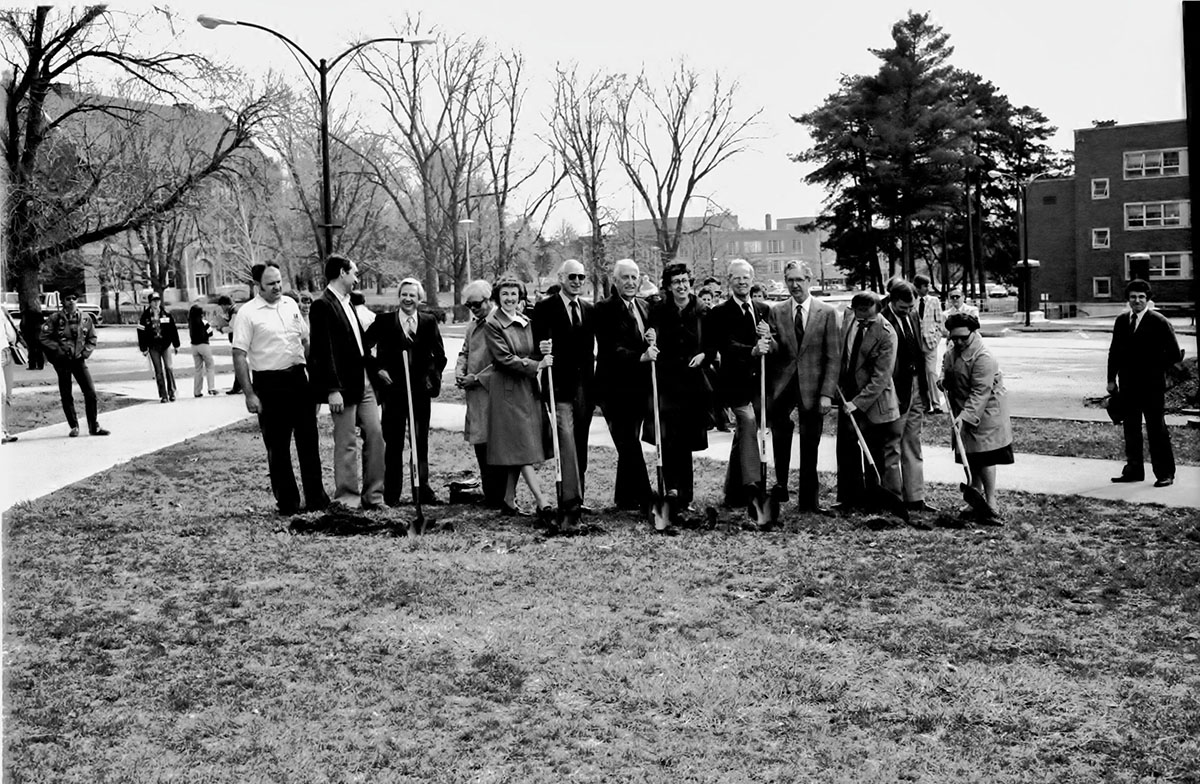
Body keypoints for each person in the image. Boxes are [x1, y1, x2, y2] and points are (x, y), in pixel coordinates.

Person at [231, 263, 328, 515]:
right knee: (278, 447)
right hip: (269, 384)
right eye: (271, 283)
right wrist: (250, 393)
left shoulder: (290, 305)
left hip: (298, 379)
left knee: (309, 441)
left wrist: (313, 375)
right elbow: (239, 355)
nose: (277, 287)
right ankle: (288, 502)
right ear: (258, 286)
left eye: (279, 281)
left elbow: (304, 340)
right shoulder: (248, 314)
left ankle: (316, 498)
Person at [308, 254, 387, 510]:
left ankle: (374, 496)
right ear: (342, 273)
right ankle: (347, 498)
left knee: (375, 436)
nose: (356, 278)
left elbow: (359, 346)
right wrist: (333, 390)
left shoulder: (349, 303)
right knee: (347, 443)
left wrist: (376, 372)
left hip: (364, 384)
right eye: (353, 273)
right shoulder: (323, 305)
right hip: (342, 388)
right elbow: (323, 350)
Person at [763, 261, 841, 515]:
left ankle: (809, 501)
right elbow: (775, 349)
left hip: (814, 388)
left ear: (809, 281)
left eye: (799, 280)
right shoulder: (777, 311)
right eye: (789, 280)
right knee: (780, 433)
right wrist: (766, 340)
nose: (794, 285)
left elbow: (833, 357)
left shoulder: (826, 313)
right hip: (783, 385)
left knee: (810, 442)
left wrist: (827, 394)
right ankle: (781, 485)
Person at [366, 277, 447, 507]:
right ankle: (391, 493)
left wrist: (431, 375)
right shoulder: (384, 322)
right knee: (392, 443)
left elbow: (440, 356)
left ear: (419, 299)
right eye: (404, 294)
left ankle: (421, 490)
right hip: (393, 391)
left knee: (420, 442)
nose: (408, 299)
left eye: (412, 295)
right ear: (398, 297)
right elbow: (365, 347)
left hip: (420, 392)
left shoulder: (429, 322)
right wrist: (378, 369)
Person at [703, 259, 772, 512]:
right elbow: (725, 345)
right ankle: (753, 486)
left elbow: (772, 346)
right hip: (734, 384)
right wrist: (752, 350)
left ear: (752, 280)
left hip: (758, 383)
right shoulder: (719, 312)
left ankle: (733, 490)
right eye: (737, 278)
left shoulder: (764, 309)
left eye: (746, 278)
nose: (742, 282)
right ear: (729, 280)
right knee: (748, 422)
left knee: (743, 436)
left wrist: (769, 340)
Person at [483, 276, 554, 520]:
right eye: (505, 294)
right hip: (508, 391)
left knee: (518, 445)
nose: (510, 298)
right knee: (523, 446)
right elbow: (503, 358)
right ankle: (541, 500)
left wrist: (542, 352)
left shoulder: (525, 320)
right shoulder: (493, 323)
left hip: (527, 387)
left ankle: (508, 500)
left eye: (514, 294)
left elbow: (532, 349)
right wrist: (537, 363)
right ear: (497, 297)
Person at [532, 259, 596, 525]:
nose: (577, 281)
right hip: (558, 385)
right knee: (566, 439)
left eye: (581, 277)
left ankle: (578, 496)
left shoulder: (588, 309)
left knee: (580, 440)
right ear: (561, 277)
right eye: (572, 277)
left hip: (585, 386)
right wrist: (542, 350)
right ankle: (568, 500)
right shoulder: (545, 308)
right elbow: (536, 346)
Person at [647, 262, 710, 528]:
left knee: (686, 442)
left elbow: (712, 342)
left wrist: (705, 353)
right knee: (669, 439)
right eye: (676, 282)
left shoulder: (703, 310)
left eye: (685, 281)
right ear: (668, 286)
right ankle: (670, 490)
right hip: (668, 382)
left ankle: (686, 495)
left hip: (693, 384)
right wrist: (650, 338)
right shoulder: (659, 311)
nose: (682, 286)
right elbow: (652, 338)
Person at [594, 259, 656, 513]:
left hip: (639, 388)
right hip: (614, 389)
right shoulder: (604, 309)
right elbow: (610, 346)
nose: (630, 282)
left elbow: (649, 339)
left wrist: (652, 339)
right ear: (615, 281)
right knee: (628, 442)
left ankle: (624, 498)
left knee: (628, 443)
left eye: (634, 277)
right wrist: (639, 356)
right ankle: (647, 497)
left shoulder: (644, 306)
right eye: (625, 278)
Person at [1106, 279, 1180, 487]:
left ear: (1148, 300)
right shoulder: (1121, 321)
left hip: (1152, 386)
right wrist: (1111, 379)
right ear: (1128, 300)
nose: (1137, 301)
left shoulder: (1159, 321)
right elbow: (1114, 352)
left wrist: (1153, 367)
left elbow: (1174, 354)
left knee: (1156, 430)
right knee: (1131, 429)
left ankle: (1165, 473)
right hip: (1128, 385)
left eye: (1141, 297)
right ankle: (1133, 470)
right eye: (1133, 297)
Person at [941, 313, 1014, 517]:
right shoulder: (952, 350)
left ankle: (991, 503)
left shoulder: (983, 357)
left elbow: (980, 393)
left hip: (986, 412)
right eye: (954, 337)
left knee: (985, 457)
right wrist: (942, 380)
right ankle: (975, 498)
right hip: (964, 408)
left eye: (963, 337)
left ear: (973, 332)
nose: (958, 341)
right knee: (971, 455)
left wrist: (964, 417)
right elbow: (945, 367)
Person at [834, 291, 901, 512]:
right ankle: (849, 499)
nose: (864, 322)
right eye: (860, 317)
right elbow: (843, 355)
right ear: (854, 311)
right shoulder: (847, 318)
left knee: (873, 451)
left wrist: (859, 402)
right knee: (846, 449)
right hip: (847, 394)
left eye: (869, 318)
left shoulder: (886, 333)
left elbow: (881, 377)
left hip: (874, 400)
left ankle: (874, 501)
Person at [881, 281, 935, 512]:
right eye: (903, 308)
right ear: (892, 302)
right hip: (894, 391)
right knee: (892, 445)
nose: (908, 311)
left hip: (915, 388)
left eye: (911, 307)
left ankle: (915, 497)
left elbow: (920, 353)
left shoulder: (913, 315)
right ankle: (893, 499)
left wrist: (925, 389)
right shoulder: (882, 320)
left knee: (913, 442)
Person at [454, 280, 504, 507]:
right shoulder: (473, 326)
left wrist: (477, 378)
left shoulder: (498, 323)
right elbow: (464, 351)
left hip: (495, 394)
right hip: (475, 397)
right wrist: (459, 371)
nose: (473, 309)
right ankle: (490, 493)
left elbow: (503, 361)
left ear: (489, 300)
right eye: (468, 305)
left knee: (496, 446)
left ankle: (500, 495)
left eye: (476, 304)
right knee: (481, 446)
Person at [39, 289, 109, 438]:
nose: (71, 301)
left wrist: (86, 352)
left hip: (78, 359)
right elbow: (43, 337)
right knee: (66, 394)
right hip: (62, 361)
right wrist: (58, 349)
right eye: (68, 299)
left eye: (74, 298)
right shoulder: (55, 318)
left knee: (90, 392)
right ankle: (74, 426)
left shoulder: (85, 318)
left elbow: (92, 338)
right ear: (63, 302)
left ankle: (93, 425)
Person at [137, 292, 180, 403]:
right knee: (158, 371)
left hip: (165, 344)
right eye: (154, 301)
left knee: (169, 367)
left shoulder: (166, 313)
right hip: (153, 346)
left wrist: (176, 345)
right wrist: (144, 348)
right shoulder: (145, 316)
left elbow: (173, 329)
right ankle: (163, 395)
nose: (156, 303)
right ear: (150, 303)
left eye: (158, 300)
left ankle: (172, 392)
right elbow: (141, 332)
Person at [913, 274, 946, 413]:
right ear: (918, 287)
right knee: (918, 374)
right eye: (925, 286)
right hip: (914, 343)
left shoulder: (934, 301)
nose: (928, 288)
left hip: (929, 342)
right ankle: (924, 404)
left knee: (931, 372)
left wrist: (936, 338)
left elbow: (939, 322)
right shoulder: (912, 301)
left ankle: (936, 403)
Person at [1, 304, 26, 443]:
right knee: (3, 394)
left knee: (6, 395)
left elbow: (12, 335)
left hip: (7, 353)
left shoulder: (2, 309)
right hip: (3, 352)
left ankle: (4, 430)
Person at [187, 303, 219, 397]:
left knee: (198, 369)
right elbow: (211, 333)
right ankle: (211, 388)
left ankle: (197, 391)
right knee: (210, 366)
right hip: (204, 345)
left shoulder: (191, 323)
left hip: (194, 346)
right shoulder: (204, 322)